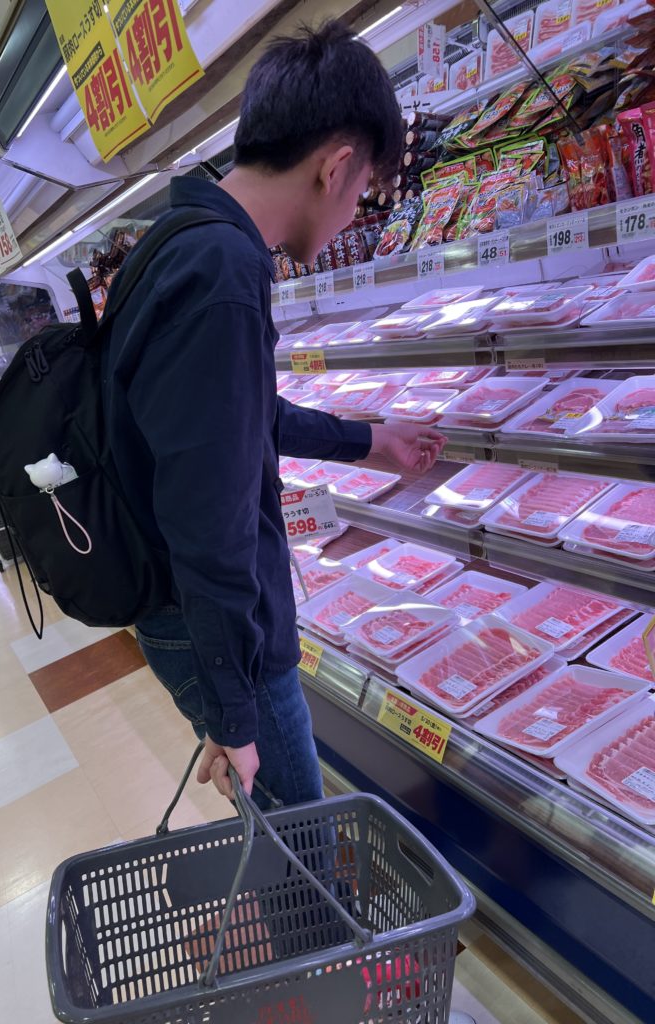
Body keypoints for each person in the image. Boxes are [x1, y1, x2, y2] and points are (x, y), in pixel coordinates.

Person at [102, 20, 446, 811]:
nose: (353, 212)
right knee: (302, 848)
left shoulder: (183, 236)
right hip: (220, 626)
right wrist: (233, 709)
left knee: (285, 827)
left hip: (188, 610)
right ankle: (311, 892)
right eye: (362, 192)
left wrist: (367, 440)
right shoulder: (223, 271)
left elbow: (232, 416)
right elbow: (210, 516)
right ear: (336, 166)